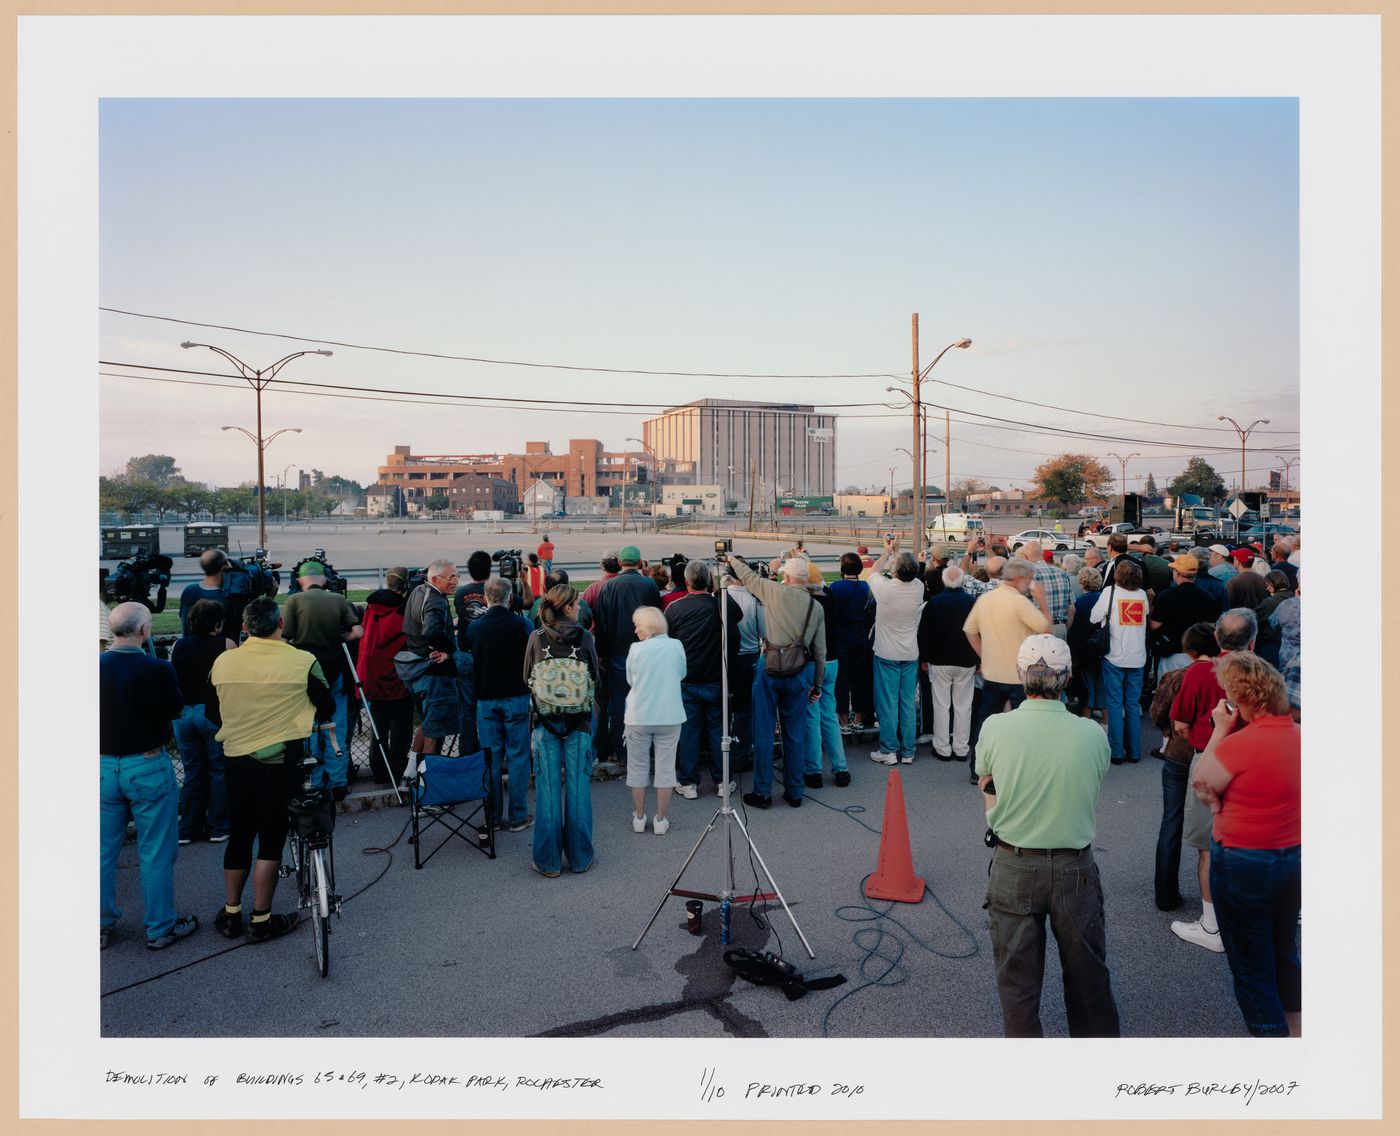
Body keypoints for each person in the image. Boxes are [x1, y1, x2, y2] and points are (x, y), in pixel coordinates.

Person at [977, 635, 1120, 1038]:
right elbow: (1095, 778)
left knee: (1018, 984)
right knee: (1089, 978)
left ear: (1022, 676)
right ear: (1068, 677)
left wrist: (997, 809)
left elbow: (986, 782)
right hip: (1075, 863)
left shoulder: (996, 726)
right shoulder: (1091, 732)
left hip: (1014, 860)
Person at [207, 596, 335, 944]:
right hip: (283, 759)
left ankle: (231, 913)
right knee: (272, 836)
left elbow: (211, 711)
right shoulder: (302, 661)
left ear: (245, 628)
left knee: (241, 833)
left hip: (237, 757)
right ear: (281, 625)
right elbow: (327, 704)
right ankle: (260, 919)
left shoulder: (224, 662)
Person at [1190, 652, 1301, 1037]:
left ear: (1240, 701)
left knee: (1252, 966)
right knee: (1284, 948)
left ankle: (1274, 1052)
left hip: (1243, 859)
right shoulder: (1302, 737)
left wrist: (1221, 729)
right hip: (1292, 855)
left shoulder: (1240, 745)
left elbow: (1202, 781)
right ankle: (1296, 1034)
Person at [100, 601, 198, 951]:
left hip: (101, 765)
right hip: (146, 763)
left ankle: (98, 924)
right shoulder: (157, 669)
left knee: (101, 850)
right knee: (155, 850)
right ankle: (159, 926)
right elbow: (175, 709)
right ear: (144, 630)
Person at [1168, 607, 1257, 952]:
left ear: (1217, 637)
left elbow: (1180, 723)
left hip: (1212, 760)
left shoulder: (1201, 672)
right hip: (1253, 761)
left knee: (1208, 846)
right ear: (1252, 640)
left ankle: (1212, 924)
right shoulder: (1262, 672)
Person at [730, 554, 826, 809]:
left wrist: (731, 559)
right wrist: (817, 684)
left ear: (786, 576)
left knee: (763, 730)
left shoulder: (774, 592)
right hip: (799, 670)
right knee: (794, 733)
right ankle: (795, 791)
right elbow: (820, 651)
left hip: (770, 665)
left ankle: (762, 791)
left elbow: (749, 578)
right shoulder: (815, 607)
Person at [522, 584, 599, 876]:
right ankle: (580, 858)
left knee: (548, 792)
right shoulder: (585, 636)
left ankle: (548, 861)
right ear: (567, 607)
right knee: (578, 790)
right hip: (579, 723)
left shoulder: (536, 637)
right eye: (577, 604)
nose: (580, 608)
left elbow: (526, 676)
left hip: (545, 722)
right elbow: (594, 677)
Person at [964, 559, 1052, 785]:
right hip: (1018, 675)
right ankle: (1021, 769)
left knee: (985, 724)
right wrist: (1042, 599)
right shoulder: (1019, 602)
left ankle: (977, 768)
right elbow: (1046, 629)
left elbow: (970, 630)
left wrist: (984, 655)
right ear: (1020, 579)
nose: (1030, 584)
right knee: (1023, 727)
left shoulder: (986, 599)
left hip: (992, 673)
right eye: (1030, 580)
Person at [281, 559, 363, 796]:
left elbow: (284, 638)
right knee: (336, 724)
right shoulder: (338, 600)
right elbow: (358, 631)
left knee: (309, 726)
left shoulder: (294, 601)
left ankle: (314, 781)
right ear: (325, 578)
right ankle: (338, 781)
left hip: (305, 671)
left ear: (299, 580)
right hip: (336, 667)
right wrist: (339, 638)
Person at [1151, 621, 1219, 911]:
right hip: (1215, 754)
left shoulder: (1175, 676)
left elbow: (1158, 714)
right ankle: (1215, 893)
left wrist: (1167, 731)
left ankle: (1166, 893)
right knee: (1214, 825)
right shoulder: (1227, 675)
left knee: (1172, 820)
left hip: (1180, 754)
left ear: (1189, 651)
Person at [666, 559, 742, 799]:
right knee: (718, 730)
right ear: (708, 581)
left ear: (687, 583)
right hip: (715, 676)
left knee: (689, 731)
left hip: (688, 678)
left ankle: (688, 782)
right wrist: (720, 590)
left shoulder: (675, 608)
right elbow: (736, 616)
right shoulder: (718, 603)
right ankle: (722, 780)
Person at [467, 577, 537, 833]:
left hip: (486, 698)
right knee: (518, 757)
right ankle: (518, 816)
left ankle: (492, 816)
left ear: (486, 598)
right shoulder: (523, 624)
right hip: (516, 695)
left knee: (491, 758)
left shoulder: (475, 628)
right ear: (510, 598)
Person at [170, 598, 237, 845]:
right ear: (218, 624)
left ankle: (187, 827)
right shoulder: (226, 644)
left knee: (193, 771)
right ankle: (218, 825)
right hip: (214, 712)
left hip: (184, 713)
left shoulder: (179, 645)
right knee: (219, 770)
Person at [591, 545, 664, 770]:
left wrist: (602, 654)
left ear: (621, 563)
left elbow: (602, 623)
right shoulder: (649, 584)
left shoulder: (609, 586)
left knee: (619, 702)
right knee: (646, 702)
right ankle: (646, 750)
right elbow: (657, 616)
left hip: (618, 654)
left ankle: (622, 751)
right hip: (646, 652)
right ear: (639, 561)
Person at [624, 606, 687, 835]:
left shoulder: (636, 649)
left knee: (638, 768)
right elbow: (682, 674)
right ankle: (660, 819)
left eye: (637, 625)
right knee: (665, 769)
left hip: (639, 715)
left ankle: (639, 817)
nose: (635, 630)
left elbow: (630, 679)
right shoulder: (676, 646)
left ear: (646, 626)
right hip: (669, 714)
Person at [396, 559, 460, 773]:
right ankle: (428, 788)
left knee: (426, 724)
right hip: (434, 673)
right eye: (451, 577)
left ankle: (410, 773)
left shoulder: (418, 591)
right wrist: (450, 650)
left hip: (417, 667)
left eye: (457, 576)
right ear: (434, 579)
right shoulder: (436, 600)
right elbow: (431, 630)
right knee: (434, 731)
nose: (456, 581)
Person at [866, 538, 925, 765]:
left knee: (888, 703)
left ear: (896, 571)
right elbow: (906, 570)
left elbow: (874, 570)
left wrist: (886, 553)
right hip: (910, 653)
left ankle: (889, 750)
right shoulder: (918, 588)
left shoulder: (886, 589)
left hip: (887, 654)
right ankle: (908, 751)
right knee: (907, 703)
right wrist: (897, 552)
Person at [356, 567, 415, 786]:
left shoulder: (371, 609)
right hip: (397, 675)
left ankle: (379, 770)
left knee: (378, 726)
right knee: (400, 728)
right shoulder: (401, 610)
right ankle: (397, 768)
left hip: (371, 675)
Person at [1089, 558, 1149, 764]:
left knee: (1115, 703)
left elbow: (1094, 618)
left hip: (1114, 655)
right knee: (1132, 703)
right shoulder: (1141, 595)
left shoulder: (1110, 593)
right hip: (1137, 655)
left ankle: (1116, 751)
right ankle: (1134, 751)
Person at [917, 563, 978, 762]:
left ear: (944, 581)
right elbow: (979, 632)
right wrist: (979, 658)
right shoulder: (972, 601)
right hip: (966, 659)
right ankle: (961, 748)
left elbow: (924, 634)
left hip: (940, 660)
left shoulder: (934, 602)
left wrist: (924, 658)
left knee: (941, 705)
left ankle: (942, 747)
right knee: (963, 706)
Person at [803, 560, 850, 787]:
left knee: (812, 718)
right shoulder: (830, 598)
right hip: (833, 661)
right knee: (829, 716)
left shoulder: (808, 604)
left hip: (814, 664)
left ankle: (813, 771)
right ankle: (841, 768)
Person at [1149, 554, 1224, 676]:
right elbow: (1211, 626)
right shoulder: (1207, 597)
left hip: (1172, 653)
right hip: (1199, 655)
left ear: (1177, 573)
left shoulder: (1167, 595)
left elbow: (1154, 625)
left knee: (1170, 691)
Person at [829, 552, 874, 735]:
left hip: (841, 637)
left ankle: (843, 719)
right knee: (860, 678)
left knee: (842, 679)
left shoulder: (835, 587)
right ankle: (858, 717)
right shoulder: (865, 588)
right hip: (860, 636)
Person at [1065, 567, 1105, 720]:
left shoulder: (1079, 602)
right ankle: (1106, 723)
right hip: (1103, 649)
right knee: (1102, 686)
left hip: (1085, 650)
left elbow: (1076, 631)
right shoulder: (1104, 599)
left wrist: (1072, 654)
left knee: (1087, 687)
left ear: (1082, 583)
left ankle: (1087, 718)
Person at [1020, 541, 1072, 638]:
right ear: (1043, 554)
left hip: (1036, 629)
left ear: (1025, 557)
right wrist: (1064, 630)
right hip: (1060, 627)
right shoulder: (1063, 573)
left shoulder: (1027, 576)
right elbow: (1071, 609)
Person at [178, 548, 230, 636]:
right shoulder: (227, 596)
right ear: (224, 567)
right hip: (223, 647)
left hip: (191, 647)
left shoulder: (189, 591)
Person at [1253, 571, 1293, 668]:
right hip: (1290, 646)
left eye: (1267, 585)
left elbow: (1253, 617)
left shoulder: (1269, 602)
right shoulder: (1294, 598)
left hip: (1271, 646)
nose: (1267, 588)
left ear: (1273, 583)